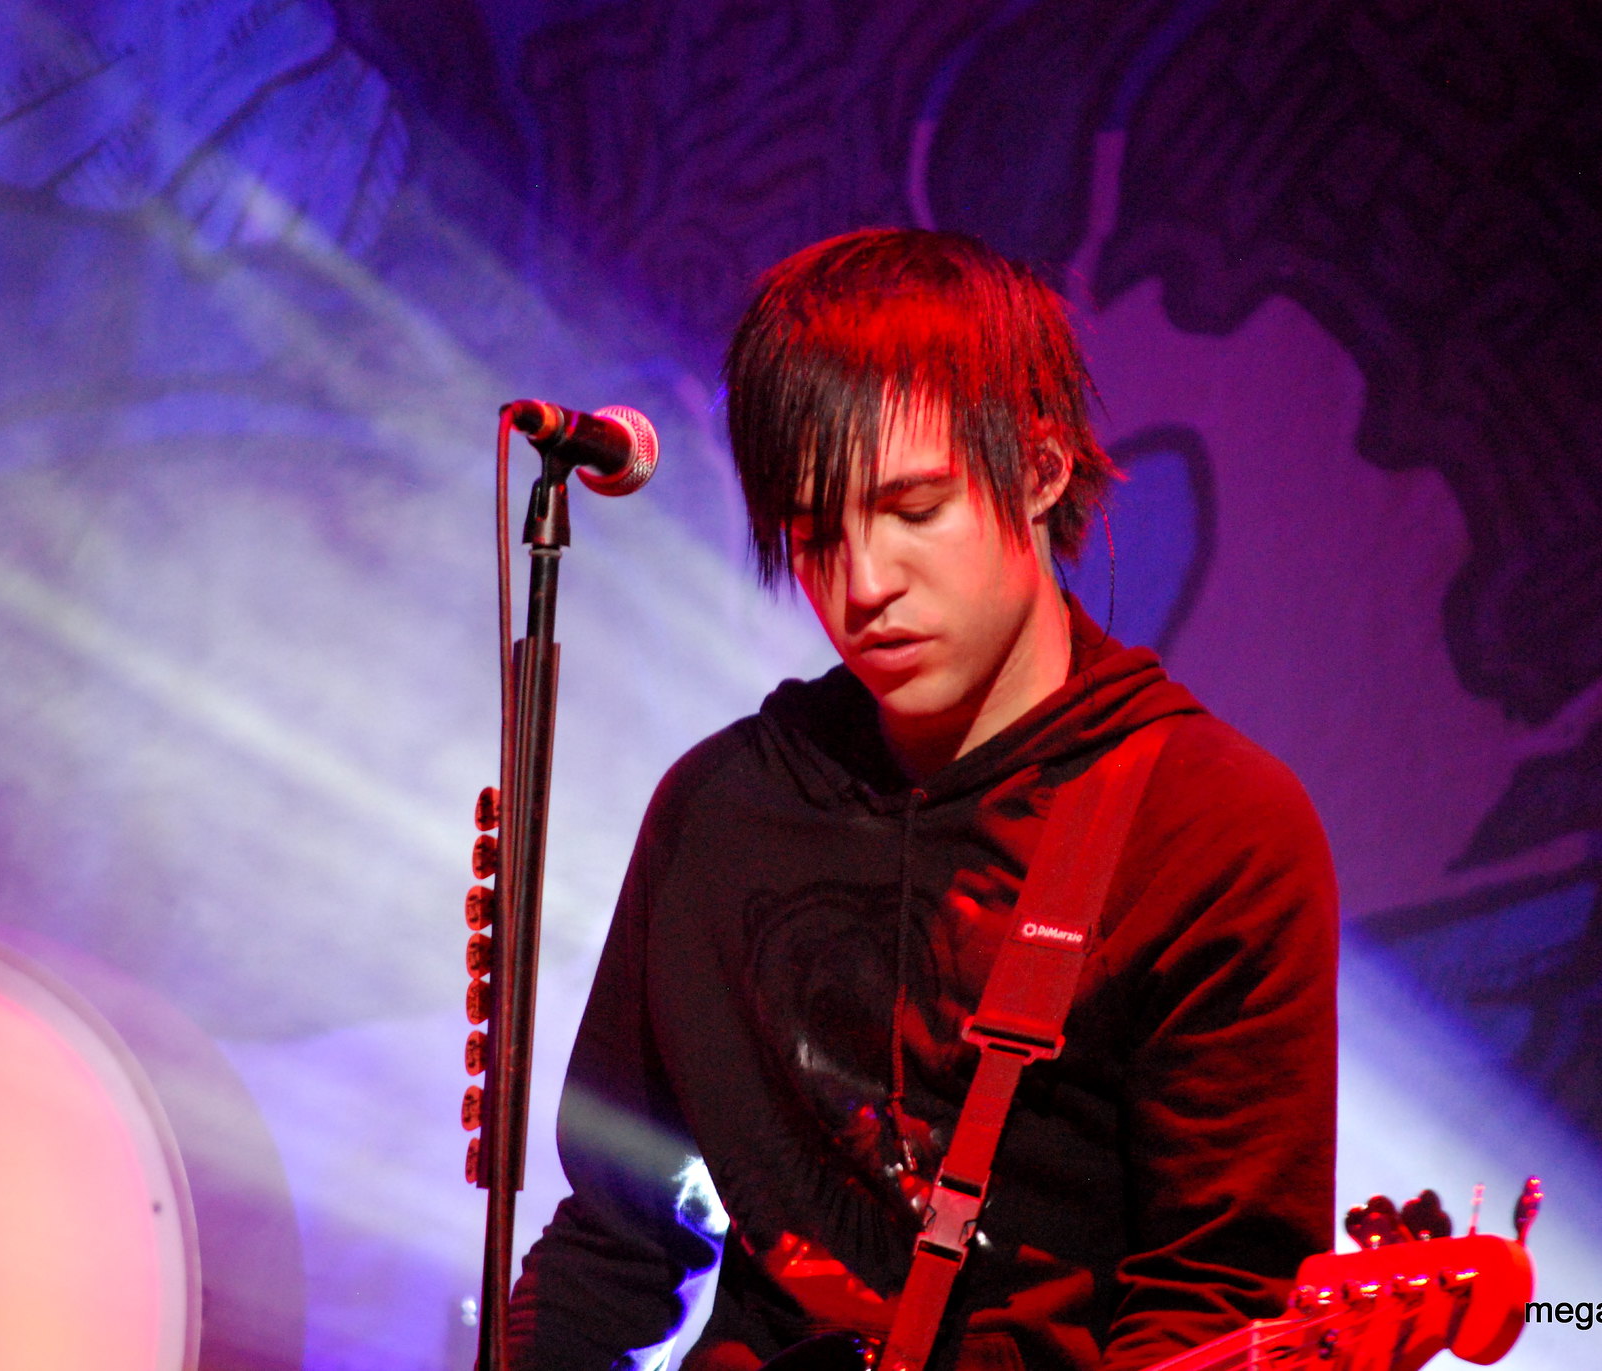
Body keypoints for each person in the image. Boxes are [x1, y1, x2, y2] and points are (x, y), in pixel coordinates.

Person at [508, 229, 1337, 1371]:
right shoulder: (720, 809)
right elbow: (614, 1242)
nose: (862, 584)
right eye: (812, 533)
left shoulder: (1208, 828)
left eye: (911, 509)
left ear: (1040, 470)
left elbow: (1218, 1297)